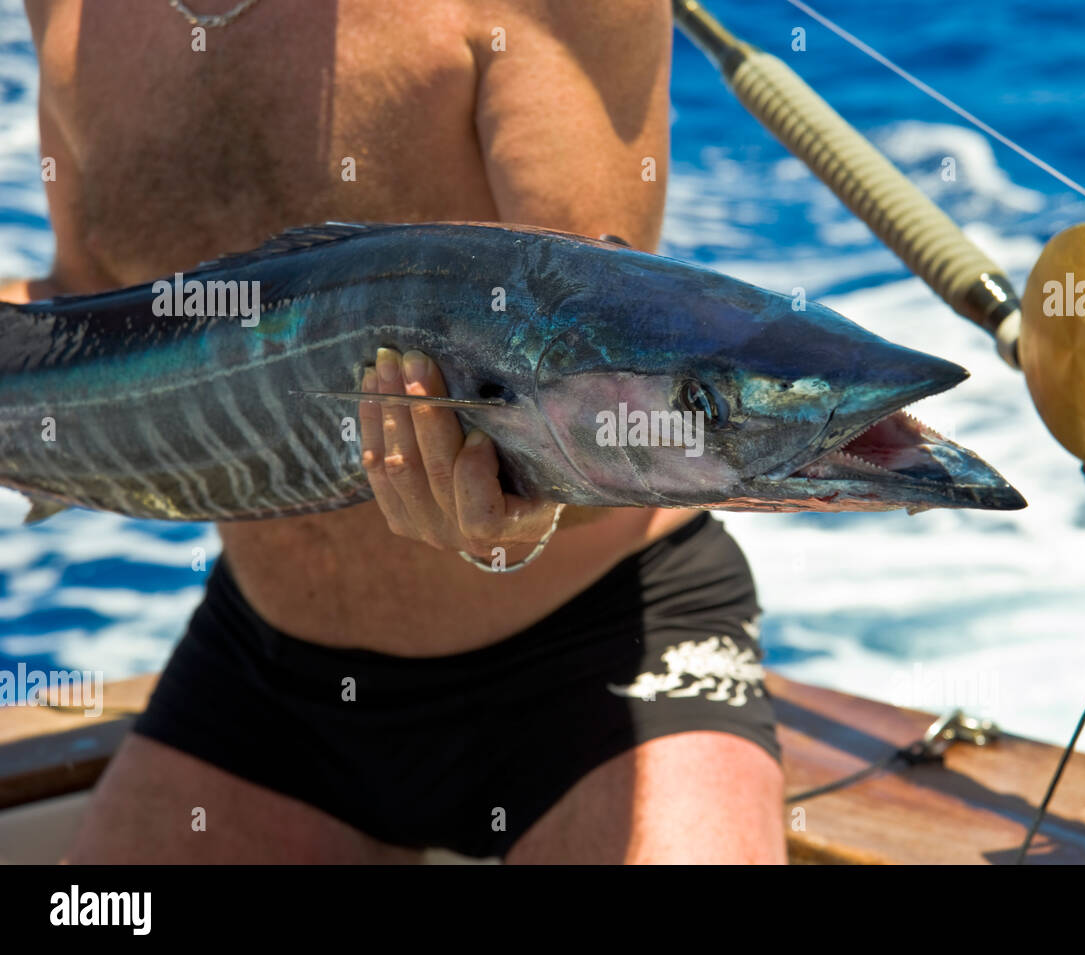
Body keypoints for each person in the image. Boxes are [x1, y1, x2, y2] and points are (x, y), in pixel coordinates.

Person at [2, 0, 785, 863]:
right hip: (266, 678)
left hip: (596, 666)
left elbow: (602, 401)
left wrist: (513, 504)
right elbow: (88, 311)